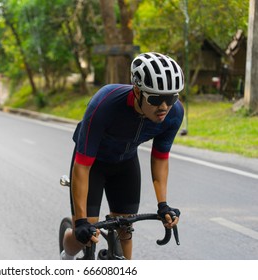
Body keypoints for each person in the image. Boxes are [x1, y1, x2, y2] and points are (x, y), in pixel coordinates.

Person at [60, 52, 184, 260]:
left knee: (125, 229)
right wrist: (81, 222)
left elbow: (161, 158)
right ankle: (67, 255)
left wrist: (163, 205)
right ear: (137, 90)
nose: (164, 106)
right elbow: (82, 165)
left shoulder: (173, 114)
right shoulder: (105, 104)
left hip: (125, 163)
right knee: (85, 234)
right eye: (155, 98)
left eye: (171, 98)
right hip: (92, 164)